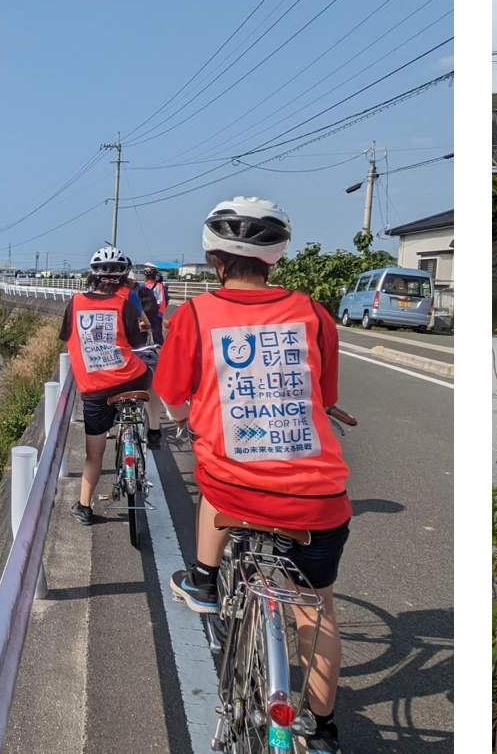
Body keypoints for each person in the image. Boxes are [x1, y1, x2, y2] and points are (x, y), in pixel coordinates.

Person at [157, 196, 349, 754]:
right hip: (318, 499)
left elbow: (170, 395)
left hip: (237, 490)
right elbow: (326, 395)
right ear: (276, 257)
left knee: (213, 491)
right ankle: (323, 729)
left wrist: (192, 410)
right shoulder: (314, 313)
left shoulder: (193, 315)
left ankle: (204, 579)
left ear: (215, 259)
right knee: (318, 609)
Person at [61, 244, 162, 526]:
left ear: (93, 274)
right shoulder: (126, 304)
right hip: (129, 376)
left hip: (93, 387)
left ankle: (84, 507)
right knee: (150, 379)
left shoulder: (75, 302)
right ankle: (154, 431)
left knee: (94, 454)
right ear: (123, 275)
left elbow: (67, 336)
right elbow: (137, 343)